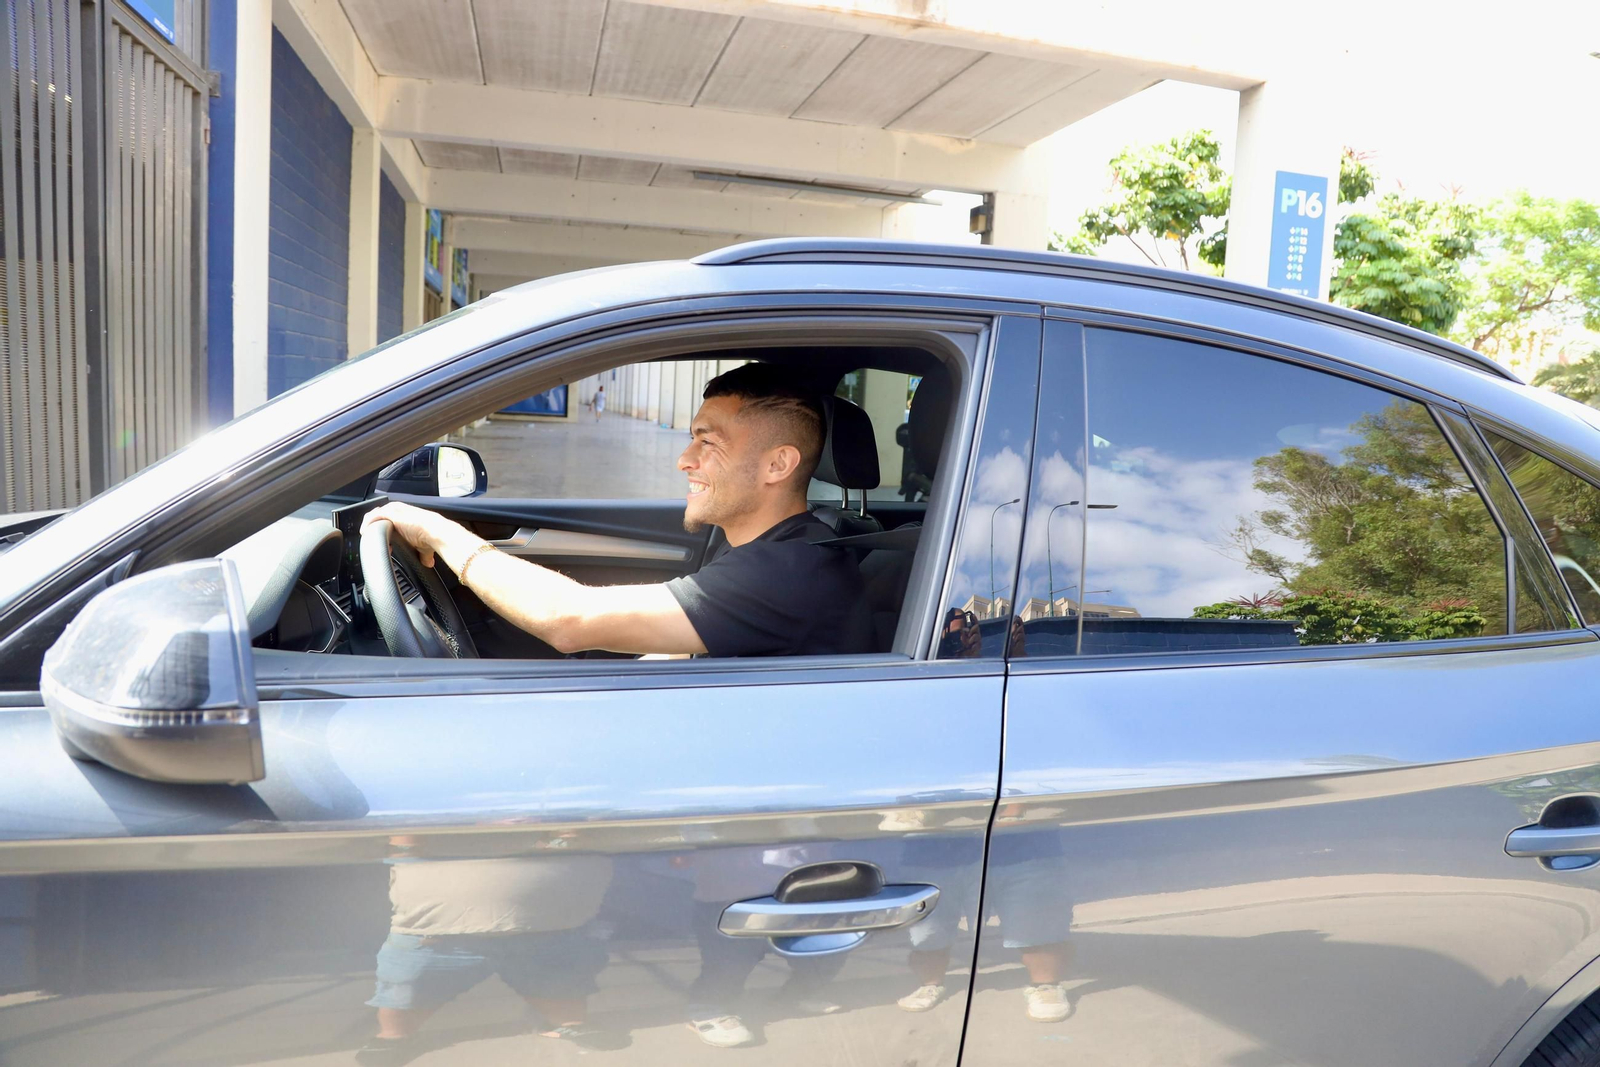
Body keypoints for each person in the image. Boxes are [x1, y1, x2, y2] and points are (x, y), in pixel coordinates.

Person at [363, 363, 875, 658]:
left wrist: (441, 533)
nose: (684, 459)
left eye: (708, 442)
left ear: (777, 464)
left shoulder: (791, 570)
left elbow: (568, 619)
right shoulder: (773, 548)